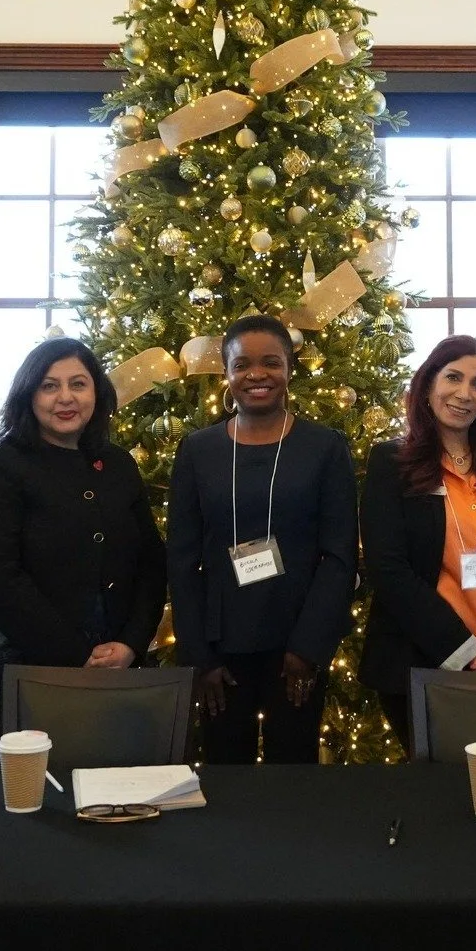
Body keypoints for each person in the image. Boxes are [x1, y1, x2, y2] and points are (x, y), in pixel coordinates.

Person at [166, 316, 357, 764]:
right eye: (242, 364)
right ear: (226, 372)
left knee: (292, 778)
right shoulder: (198, 451)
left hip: (297, 646)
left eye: (271, 362)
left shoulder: (325, 447)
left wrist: (308, 648)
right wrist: (199, 658)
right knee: (224, 777)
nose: (257, 374)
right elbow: (181, 558)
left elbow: (339, 555)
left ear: (290, 368)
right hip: (220, 650)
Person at [0, 337, 166, 743]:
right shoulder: (6, 464)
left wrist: (131, 643)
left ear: (97, 391)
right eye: (49, 385)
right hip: (23, 660)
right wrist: (76, 654)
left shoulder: (119, 464)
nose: (65, 398)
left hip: (115, 662)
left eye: (78, 384)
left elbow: (151, 562)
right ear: (29, 395)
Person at [360, 335, 476, 747]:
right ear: (429, 383)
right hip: (423, 665)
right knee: (442, 798)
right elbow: (388, 569)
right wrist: (465, 652)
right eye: (453, 377)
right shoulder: (391, 463)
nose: (464, 394)